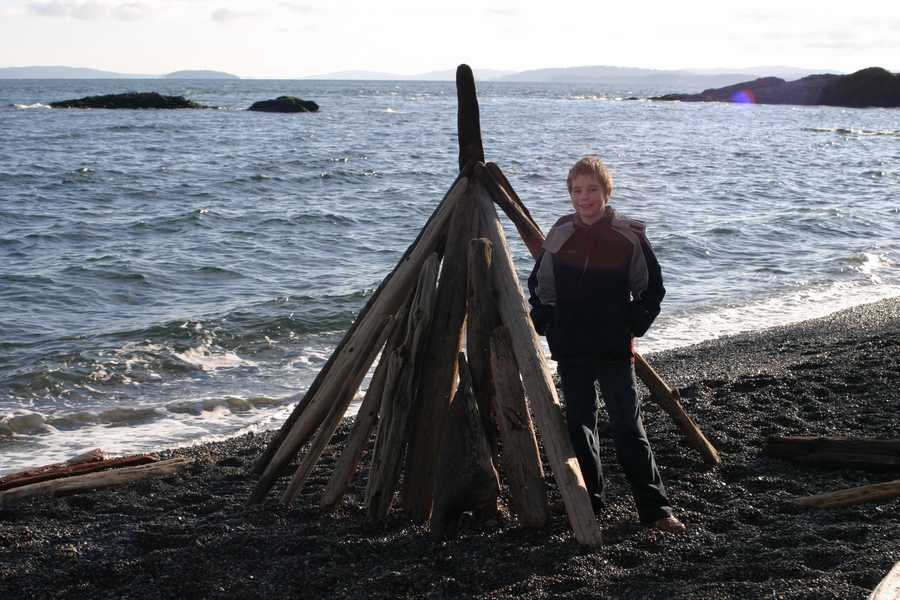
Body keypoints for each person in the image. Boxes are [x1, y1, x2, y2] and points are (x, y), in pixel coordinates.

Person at [528, 156, 685, 533]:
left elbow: (651, 290)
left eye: (592, 189)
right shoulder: (561, 232)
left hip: (614, 349)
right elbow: (540, 287)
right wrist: (548, 324)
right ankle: (589, 503)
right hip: (572, 348)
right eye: (577, 191)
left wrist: (630, 324)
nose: (584, 198)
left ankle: (656, 510)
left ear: (606, 191)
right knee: (579, 425)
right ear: (570, 194)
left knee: (628, 427)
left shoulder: (628, 235)